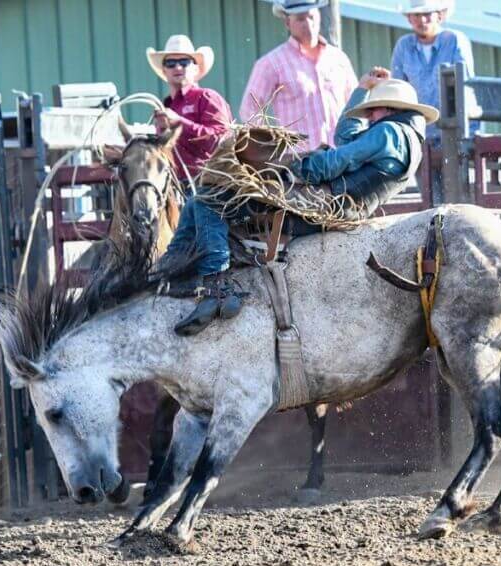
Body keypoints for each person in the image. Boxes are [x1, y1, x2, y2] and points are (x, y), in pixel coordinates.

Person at [158, 73, 436, 336]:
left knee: (210, 201)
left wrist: (293, 170)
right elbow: (345, 138)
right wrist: (362, 90)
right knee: (197, 201)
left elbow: (337, 160)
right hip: (337, 205)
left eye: (372, 110)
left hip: (324, 202)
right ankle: (170, 265)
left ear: (388, 109)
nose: (369, 115)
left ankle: (216, 284)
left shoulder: (388, 132)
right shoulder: (403, 138)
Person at [239, 0, 358, 154]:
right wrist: (272, 147)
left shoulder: (338, 59)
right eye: (301, 19)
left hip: (342, 156)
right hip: (299, 162)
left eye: (311, 17)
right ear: (288, 23)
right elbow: (249, 110)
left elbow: (356, 105)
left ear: (319, 16)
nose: (308, 24)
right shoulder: (272, 63)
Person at [145, 35, 232, 183]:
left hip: (208, 185)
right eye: (170, 63)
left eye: (184, 62)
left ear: (195, 67)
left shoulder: (207, 97)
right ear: (164, 70)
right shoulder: (165, 106)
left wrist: (179, 123)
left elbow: (223, 142)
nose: (178, 67)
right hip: (172, 186)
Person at [390, 0, 475, 144]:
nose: (422, 20)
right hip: (419, 134)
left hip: (453, 131)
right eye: (416, 15)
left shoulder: (455, 40)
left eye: (427, 14)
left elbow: (465, 87)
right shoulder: (404, 46)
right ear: (409, 18)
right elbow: (398, 91)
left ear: (440, 16)